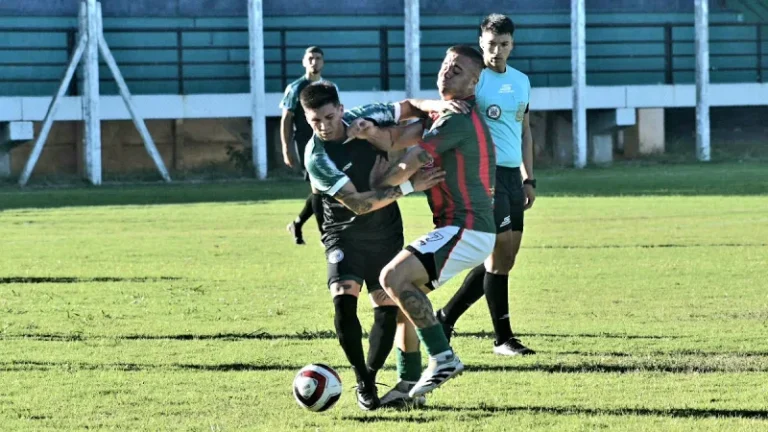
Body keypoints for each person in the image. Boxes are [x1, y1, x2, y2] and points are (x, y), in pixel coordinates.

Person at [351, 45, 497, 398]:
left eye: (458, 70)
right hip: (460, 227)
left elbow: (414, 156)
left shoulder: (455, 119)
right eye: (447, 64)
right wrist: (370, 131)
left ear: (474, 84)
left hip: (467, 227)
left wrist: (382, 185)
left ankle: (443, 356)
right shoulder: (443, 113)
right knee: (407, 300)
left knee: (391, 278)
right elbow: (399, 132)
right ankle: (405, 388)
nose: (448, 72)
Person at [299, 82, 445, 410]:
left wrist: (442, 105)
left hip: (384, 232)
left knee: (386, 309)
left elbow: (410, 106)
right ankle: (364, 382)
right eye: (314, 122)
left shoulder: (367, 116)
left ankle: (373, 371)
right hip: (343, 232)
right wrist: (409, 186)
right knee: (343, 302)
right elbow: (358, 204)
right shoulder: (316, 156)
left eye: (328, 117)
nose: (323, 126)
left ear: (340, 109)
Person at [410, 14, 537, 356]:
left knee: (504, 257)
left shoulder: (522, 81)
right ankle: (503, 338)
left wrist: (529, 177)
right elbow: (446, 113)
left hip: (512, 176)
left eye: (504, 45)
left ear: (513, 45)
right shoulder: (473, 81)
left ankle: (447, 317)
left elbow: (524, 131)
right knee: (492, 254)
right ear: (481, 42)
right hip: (484, 176)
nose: (497, 51)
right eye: (491, 44)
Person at [281, 46, 334, 245]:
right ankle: (325, 234)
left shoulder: (329, 87)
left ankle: (297, 223)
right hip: (306, 145)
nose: (314, 62)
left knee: (322, 189)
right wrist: (286, 148)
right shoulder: (296, 88)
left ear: (323, 62)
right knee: (319, 188)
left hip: (328, 143)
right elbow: (286, 118)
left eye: (318, 58)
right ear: (304, 62)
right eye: (310, 58)